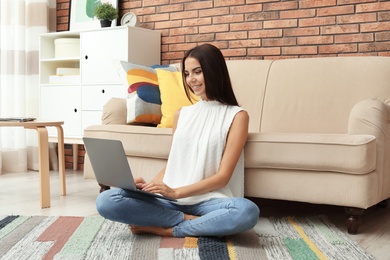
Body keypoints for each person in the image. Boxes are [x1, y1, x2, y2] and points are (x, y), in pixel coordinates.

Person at [96, 43, 260, 237]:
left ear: (214, 71)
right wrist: (150, 187)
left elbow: (222, 177)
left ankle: (168, 230)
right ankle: (189, 222)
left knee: (247, 211)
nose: (191, 79)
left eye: (197, 72)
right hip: (170, 201)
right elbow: (174, 163)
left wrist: (177, 193)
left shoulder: (237, 116)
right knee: (107, 200)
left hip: (210, 201)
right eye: (187, 73)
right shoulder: (181, 115)